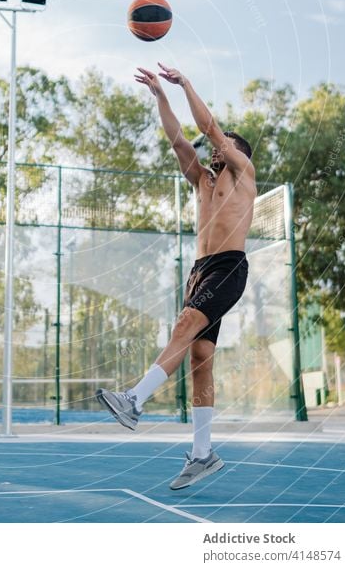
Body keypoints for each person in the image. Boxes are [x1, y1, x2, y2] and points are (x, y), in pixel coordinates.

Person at [96, 63, 256, 489]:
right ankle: (203, 455)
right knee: (199, 361)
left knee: (184, 326)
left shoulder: (243, 176)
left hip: (229, 266)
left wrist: (185, 83)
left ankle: (133, 400)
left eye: (223, 146)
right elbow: (179, 138)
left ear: (237, 152)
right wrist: (160, 96)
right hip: (200, 272)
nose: (214, 150)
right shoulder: (204, 182)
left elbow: (209, 127)